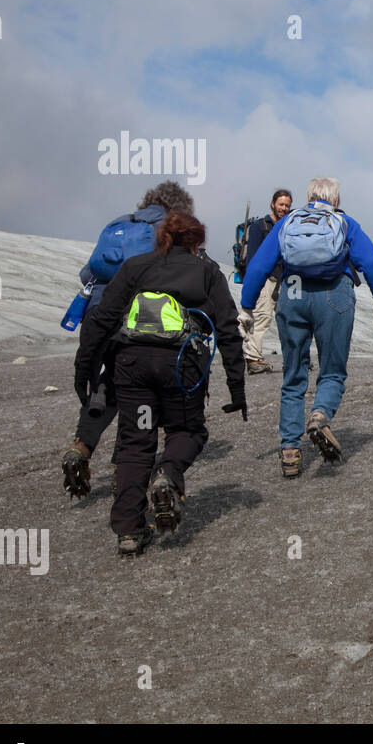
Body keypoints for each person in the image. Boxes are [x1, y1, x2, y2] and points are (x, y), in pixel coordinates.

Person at [75, 211, 247, 556]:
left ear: (161, 237)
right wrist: (236, 387)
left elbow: (102, 318)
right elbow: (228, 328)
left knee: (135, 442)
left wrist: (85, 371)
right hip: (180, 366)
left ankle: (129, 531)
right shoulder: (207, 272)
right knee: (187, 432)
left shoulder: (136, 266)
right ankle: (167, 473)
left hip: (132, 365)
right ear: (197, 241)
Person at [237, 177, 373, 478]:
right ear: (335, 200)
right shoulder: (344, 222)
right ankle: (320, 415)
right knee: (332, 370)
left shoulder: (288, 221)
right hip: (334, 295)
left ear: (308, 198)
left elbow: (258, 265)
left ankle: (290, 452)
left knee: (294, 373)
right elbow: (371, 263)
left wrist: (246, 307)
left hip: (292, 296)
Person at [62, 181, 195, 499]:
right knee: (140, 389)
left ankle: (81, 447)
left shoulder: (120, 223)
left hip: (98, 312)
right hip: (135, 319)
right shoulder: (169, 228)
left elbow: (87, 273)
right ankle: (127, 464)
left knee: (105, 386)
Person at [242, 188, 293, 374]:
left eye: (287, 205)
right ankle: (253, 358)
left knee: (288, 320)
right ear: (273, 204)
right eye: (281, 204)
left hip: (284, 280)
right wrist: (254, 281)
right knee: (262, 317)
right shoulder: (259, 226)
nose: (284, 208)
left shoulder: (288, 227)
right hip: (265, 280)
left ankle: (293, 359)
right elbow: (253, 258)